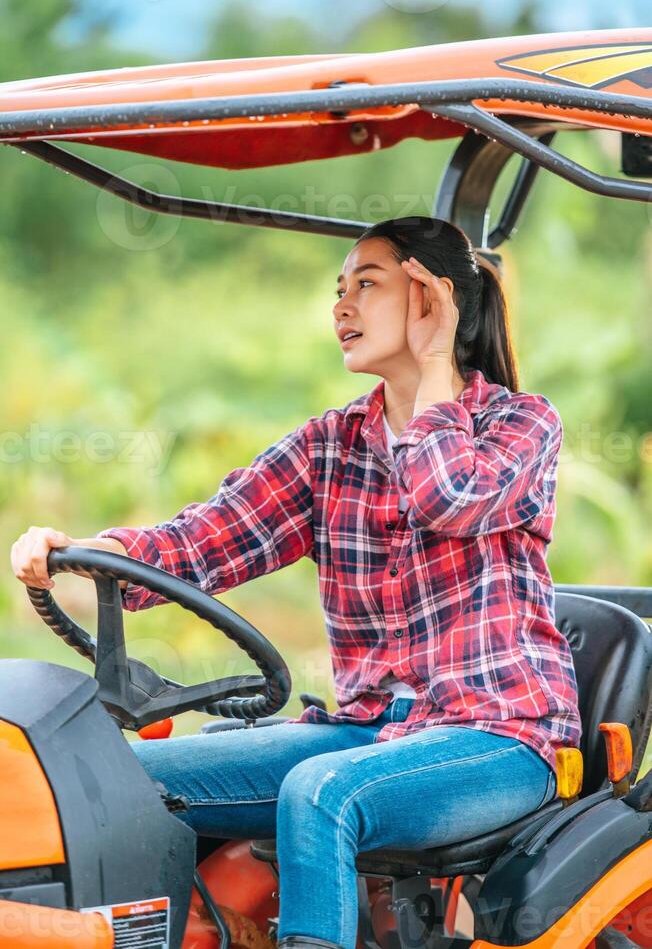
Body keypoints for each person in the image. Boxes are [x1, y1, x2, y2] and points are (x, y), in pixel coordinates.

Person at [11, 216, 581, 949]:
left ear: (432, 299)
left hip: (501, 735)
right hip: (368, 728)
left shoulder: (522, 425)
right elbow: (202, 540)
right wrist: (83, 553)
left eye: (367, 285)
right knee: (111, 780)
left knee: (322, 793)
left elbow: (447, 496)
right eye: (337, 290)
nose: (341, 306)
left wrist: (436, 365)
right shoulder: (328, 447)